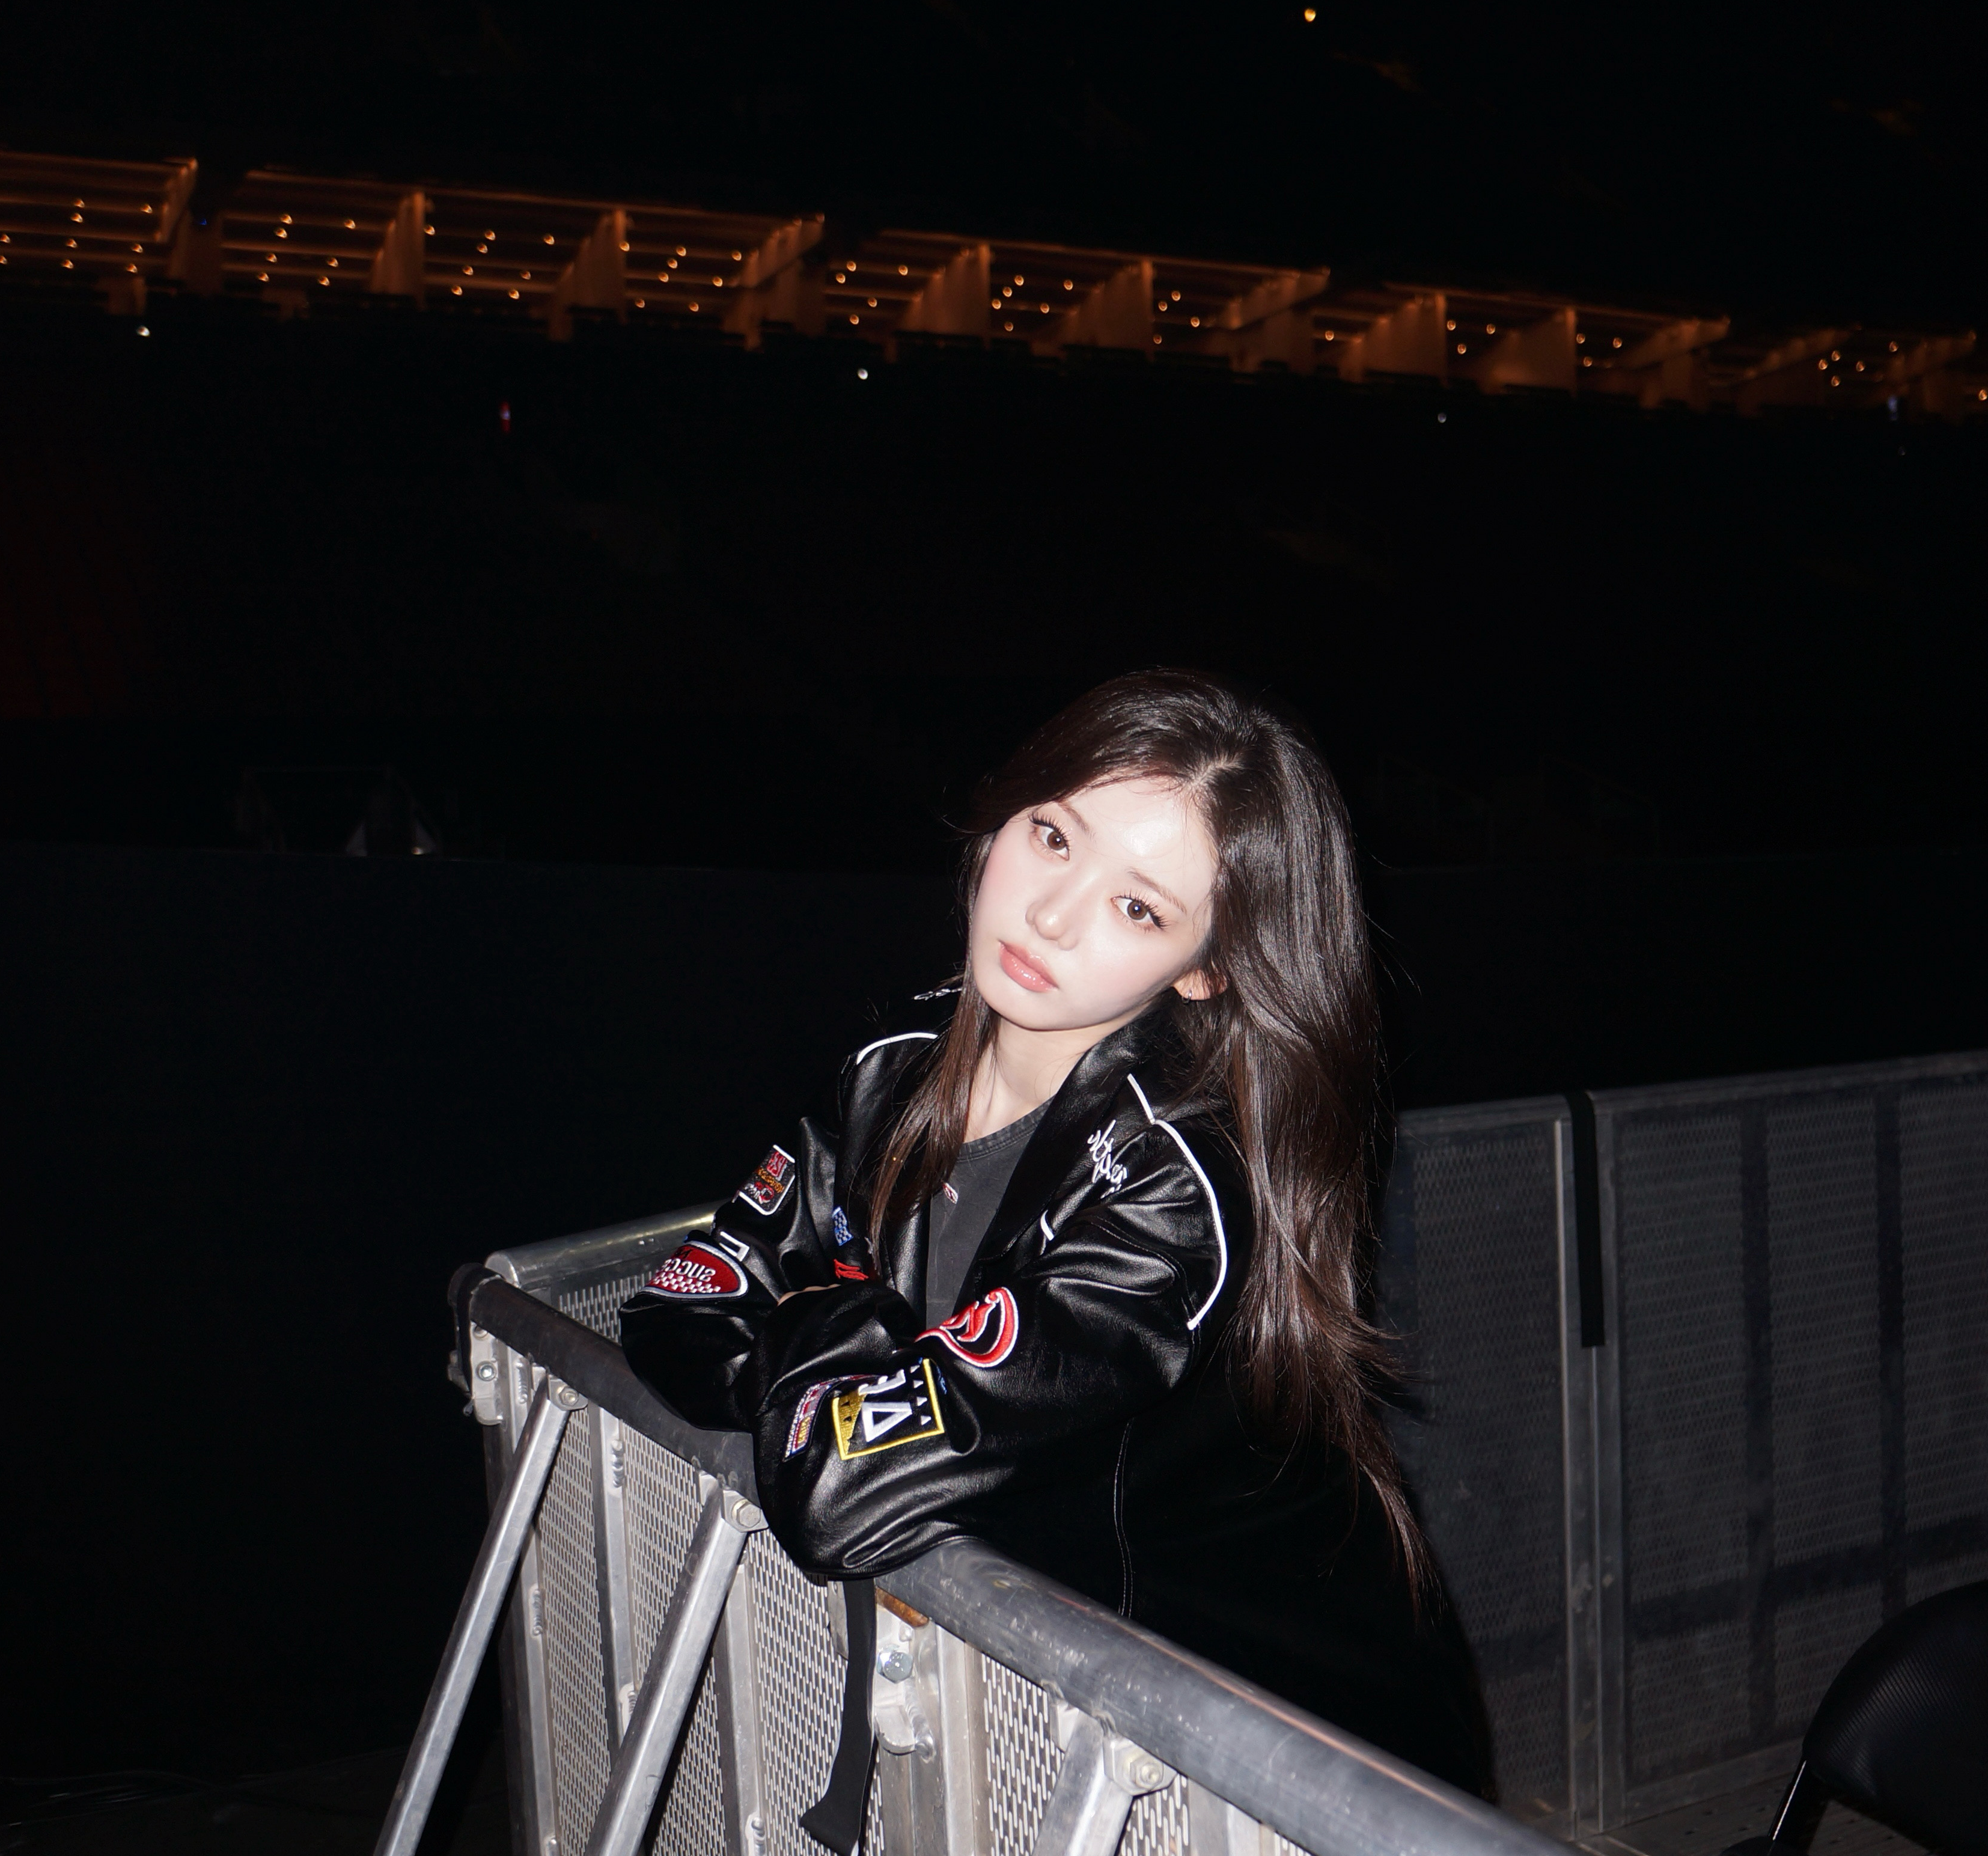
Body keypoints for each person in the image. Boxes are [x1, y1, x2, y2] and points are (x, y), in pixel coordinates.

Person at [616, 670, 1489, 1795]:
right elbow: (678, 1305)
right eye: (1054, 836)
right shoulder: (893, 1070)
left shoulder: (1174, 1194)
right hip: (1087, 1736)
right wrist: (854, 1364)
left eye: (1139, 908)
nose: (1051, 916)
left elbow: (836, 1489)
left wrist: (828, 1345)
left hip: (1286, 1764)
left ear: (1205, 968)